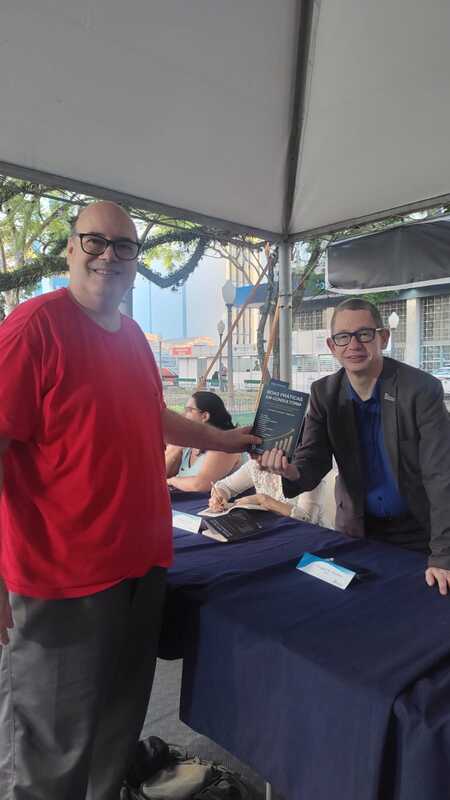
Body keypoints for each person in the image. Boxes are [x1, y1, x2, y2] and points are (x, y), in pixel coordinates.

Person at [0, 201, 258, 800]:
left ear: (136, 261)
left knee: (114, 736)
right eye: (95, 242)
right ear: (69, 248)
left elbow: (153, 417)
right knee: (50, 753)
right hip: (63, 582)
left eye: (123, 246)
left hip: (141, 567)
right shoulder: (32, 328)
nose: (109, 256)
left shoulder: (134, 339)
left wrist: (224, 439)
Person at [258, 298, 450, 595]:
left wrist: (443, 554)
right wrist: (292, 470)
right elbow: (313, 458)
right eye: (343, 337)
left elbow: (442, 476)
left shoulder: (421, 390)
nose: (354, 345)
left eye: (364, 333)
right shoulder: (324, 393)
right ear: (332, 346)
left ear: (382, 337)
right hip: (357, 529)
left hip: (419, 532)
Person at [208, 458, 337, 530]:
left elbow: (308, 520)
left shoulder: (308, 469)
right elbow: (224, 486)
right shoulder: (256, 463)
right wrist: (218, 497)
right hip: (270, 530)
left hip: (307, 537)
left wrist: (263, 500)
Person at [165, 391, 243, 492]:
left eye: (189, 410)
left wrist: (171, 481)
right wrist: (176, 446)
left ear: (205, 416)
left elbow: (201, 485)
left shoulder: (224, 445)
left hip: (213, 505)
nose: (182, 415)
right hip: (185, 503)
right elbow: (159, 474)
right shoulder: (189, 445)